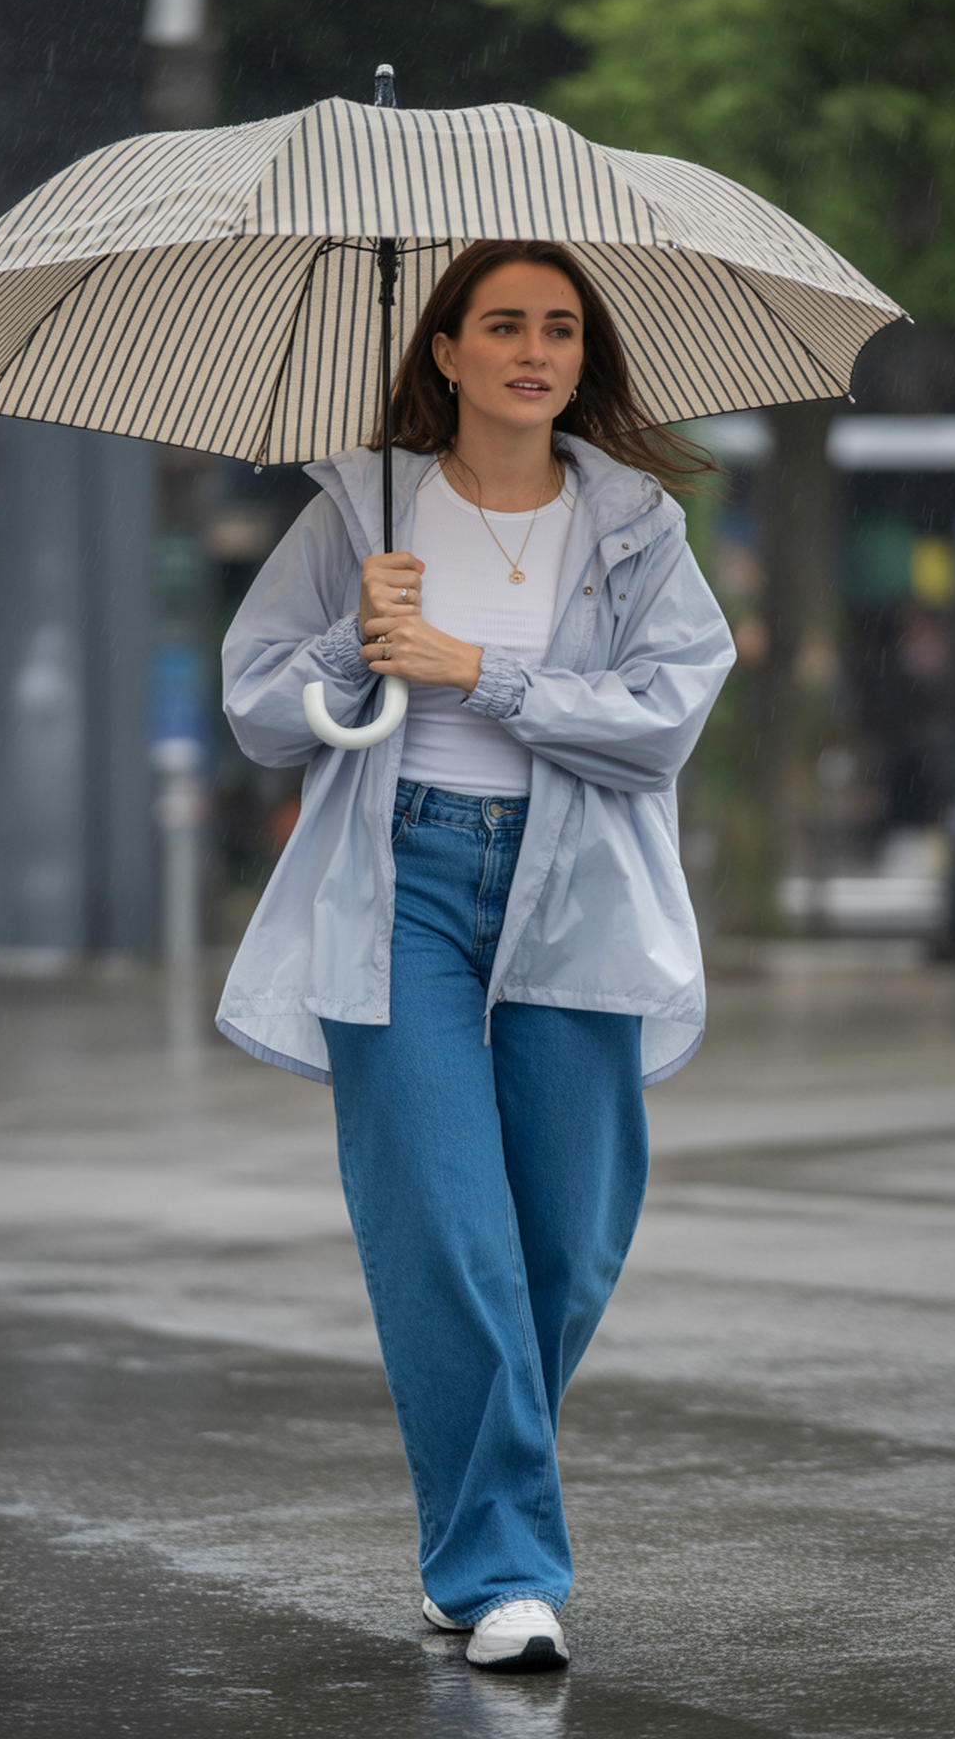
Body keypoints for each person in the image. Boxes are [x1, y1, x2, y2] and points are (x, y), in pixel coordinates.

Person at [217, 239, 735, 1672]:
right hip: (405, 886)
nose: (534, 350)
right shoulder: (361, 511)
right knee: (450, 1229)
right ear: (443, 351)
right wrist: (351, 644)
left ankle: (472, 1507)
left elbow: (661, 724)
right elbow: (258, 708)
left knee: (566, 1241)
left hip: (578, 889)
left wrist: (477, 671)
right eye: (502, 324)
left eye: (559, 328)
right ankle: (504, 1569)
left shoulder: (634, 527)